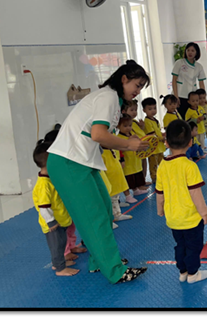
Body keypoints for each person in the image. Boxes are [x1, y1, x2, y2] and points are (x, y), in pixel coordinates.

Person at [47, 60, 150, 284]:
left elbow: (103, 138)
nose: (138, 91)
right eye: (137, 85)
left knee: (104, 211)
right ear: (124, 79)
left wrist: (128, 141)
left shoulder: (113, 100)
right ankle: (115, 270)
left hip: (83, 161)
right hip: (69, 162)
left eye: (142, 87)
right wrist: (128, 144)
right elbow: (98, 135)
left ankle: (98, 261)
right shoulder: (108, 97)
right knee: (95, 218)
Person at [156, 119, 207, 284]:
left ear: (166, 143)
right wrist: (204, 213)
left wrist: (160, 209)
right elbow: (195, 193)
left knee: (180, 245)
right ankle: (193, 274)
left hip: (173, 218)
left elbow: (159, 192)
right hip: (190, 218)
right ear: (190, 142)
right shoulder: (189, 166)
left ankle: (183, 271)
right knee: (194, 246)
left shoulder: (162, 165)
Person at [32, 139, 79, 277]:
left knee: (62, 243)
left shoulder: (50, 178)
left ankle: (61, 262)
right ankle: (59, 268)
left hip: (60, 220)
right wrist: (50, 221)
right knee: (57, 246)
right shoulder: (43, 185)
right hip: (53, 224)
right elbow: (43, 206)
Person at [117, 114, 150, 200]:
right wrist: (129, 141)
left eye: (130, 125)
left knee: (136, 175)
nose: (128, 128)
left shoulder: (132, 133)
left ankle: (136, 190)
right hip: (127, 162)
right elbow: (120, 149)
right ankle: (128, 196)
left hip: (135, 161)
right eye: (125, 126)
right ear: (118, 126)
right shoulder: (118, 137)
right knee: (128, 179)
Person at [171, 42, 207, 119]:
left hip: (193, 97)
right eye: (188, 50)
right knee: (182, 118)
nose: (190, 52)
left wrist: (203, 97)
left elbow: (201, 83)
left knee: (194, 118)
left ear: (196, 52)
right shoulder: (179, 63)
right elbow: (174, 80)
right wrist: (176, 96)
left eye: (192, 51)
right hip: (180, 95)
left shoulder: (199, 66)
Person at [101, 145, 132, 223]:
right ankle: (109, 220)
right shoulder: (101, 153)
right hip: (109, 180)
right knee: (108, 200)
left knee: (115, 197)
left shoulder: (112, 149)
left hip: (115, 179)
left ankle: (117, 214)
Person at [124, 99, 150, 185]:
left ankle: (143, 179)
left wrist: (142, 127)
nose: (134, 112)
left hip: (142, 145)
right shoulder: (126, 123)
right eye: (131, 110)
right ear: (124, 111)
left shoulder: (134, 122)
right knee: (138, 166)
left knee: (144, 163)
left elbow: (139, 132)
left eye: (135, 110)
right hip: (136, 147)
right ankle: (140, 182)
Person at [142, 97, 166, 184]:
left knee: (162, 162)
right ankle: (154, 177)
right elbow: (152, 135)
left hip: (159, 147)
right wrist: (161, 138)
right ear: (144, 110)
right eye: (150, 109)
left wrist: (162, 134)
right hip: (153, 148)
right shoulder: (147, 121)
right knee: (153, 164)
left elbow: (157, 132)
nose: (153, 111)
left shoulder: (155, 120)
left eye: (154, 108)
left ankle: (163, 175)